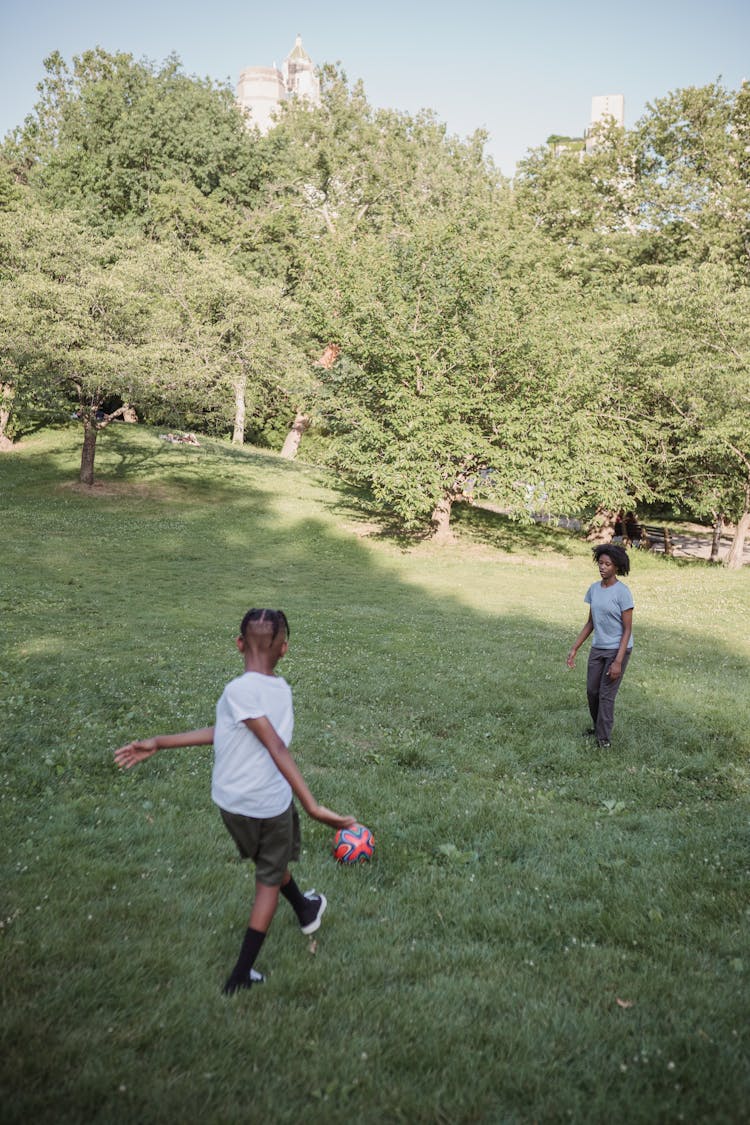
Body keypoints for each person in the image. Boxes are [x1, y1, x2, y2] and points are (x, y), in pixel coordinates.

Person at [114, 608, 356, 996]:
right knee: (268, 879)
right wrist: (311, 806)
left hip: (231, 804)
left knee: (270, 860)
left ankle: (306, 909)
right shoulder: (276, 691)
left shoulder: (238, 690)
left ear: (239, 644)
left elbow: (228, 732)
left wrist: (159, 742)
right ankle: (241, 974)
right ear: (285, 649)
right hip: (267, 804)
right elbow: (274, 744)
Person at [566, 544, 634, 749]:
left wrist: (618, 661)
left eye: (607, 564)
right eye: (600, 563)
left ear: (617, 567)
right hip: (598, 648)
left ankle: (603, 739)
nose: (602, 567)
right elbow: (591, 622)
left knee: (606, 695)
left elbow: (627, 630)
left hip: (618, 649)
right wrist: (575, 648)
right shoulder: (594, 589)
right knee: (592, 691)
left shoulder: (623, 593)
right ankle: (598, 728)